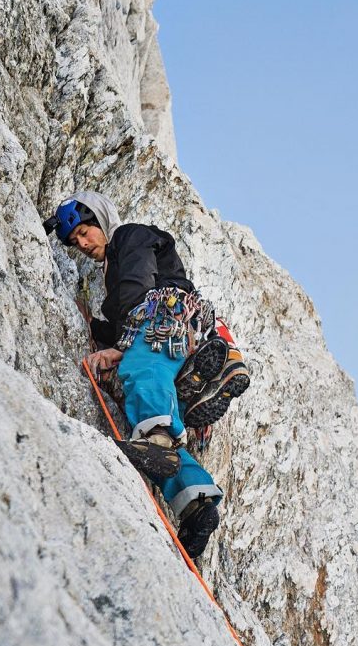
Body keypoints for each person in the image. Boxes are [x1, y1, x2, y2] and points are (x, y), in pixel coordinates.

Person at [43, 191, 250, 557]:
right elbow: (125, 305)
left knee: (140, 369)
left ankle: (163, 427)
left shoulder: (129, 237)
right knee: (155, 426)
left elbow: (138, 284)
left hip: (164, 315)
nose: (83, 243)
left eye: (85, 231)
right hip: (171, 331)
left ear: (101, 218)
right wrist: (97, 327)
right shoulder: (115, 274)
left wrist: (122, 346)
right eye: (75, 241)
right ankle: (197, 504)